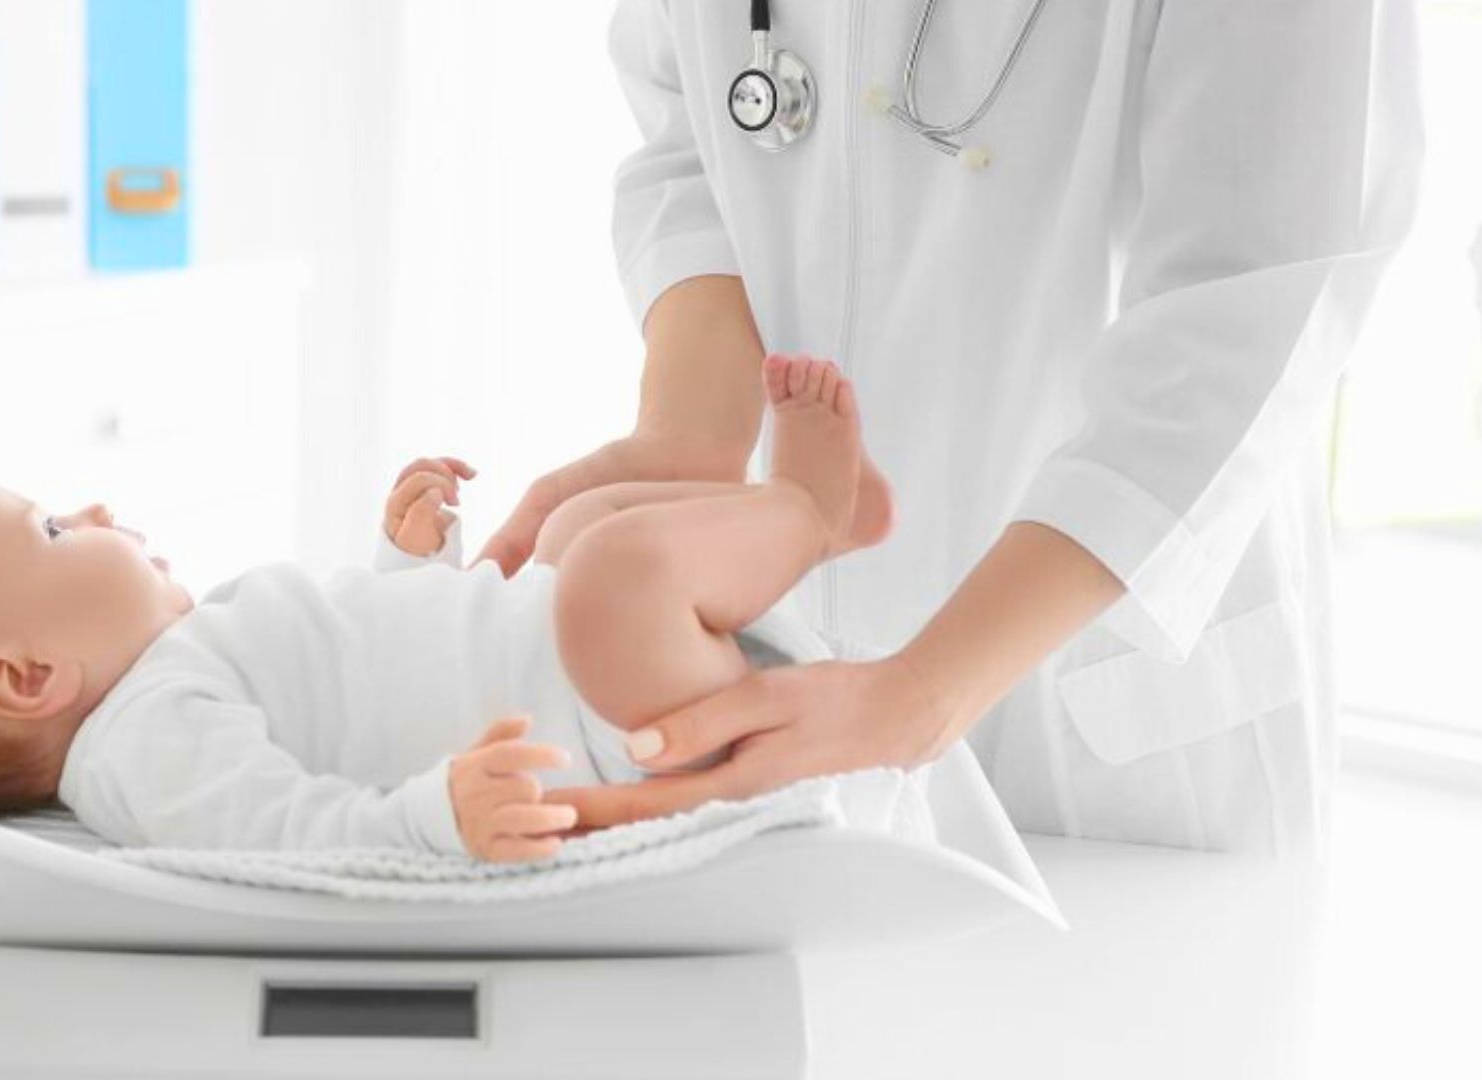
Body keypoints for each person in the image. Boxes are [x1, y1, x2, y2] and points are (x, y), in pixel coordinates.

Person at [479, 0, 1425, 855]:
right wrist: (693, 430)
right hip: (787, 671)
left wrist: (926, 690)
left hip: (1118, 746)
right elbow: (693, 130)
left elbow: (1246, 304)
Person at [0, 357, 898, 862]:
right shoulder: (145, 750)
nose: (97, 506)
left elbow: (366, 686)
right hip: (616, 724)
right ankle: (800, 506)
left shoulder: (175, 664)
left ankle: (788, 533)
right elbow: (296, 834)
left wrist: (407, 565)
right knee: (612, 571)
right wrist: (432, 819)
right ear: (24, 679)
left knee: (581, 532)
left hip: (565, 653)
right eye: (54, 531)